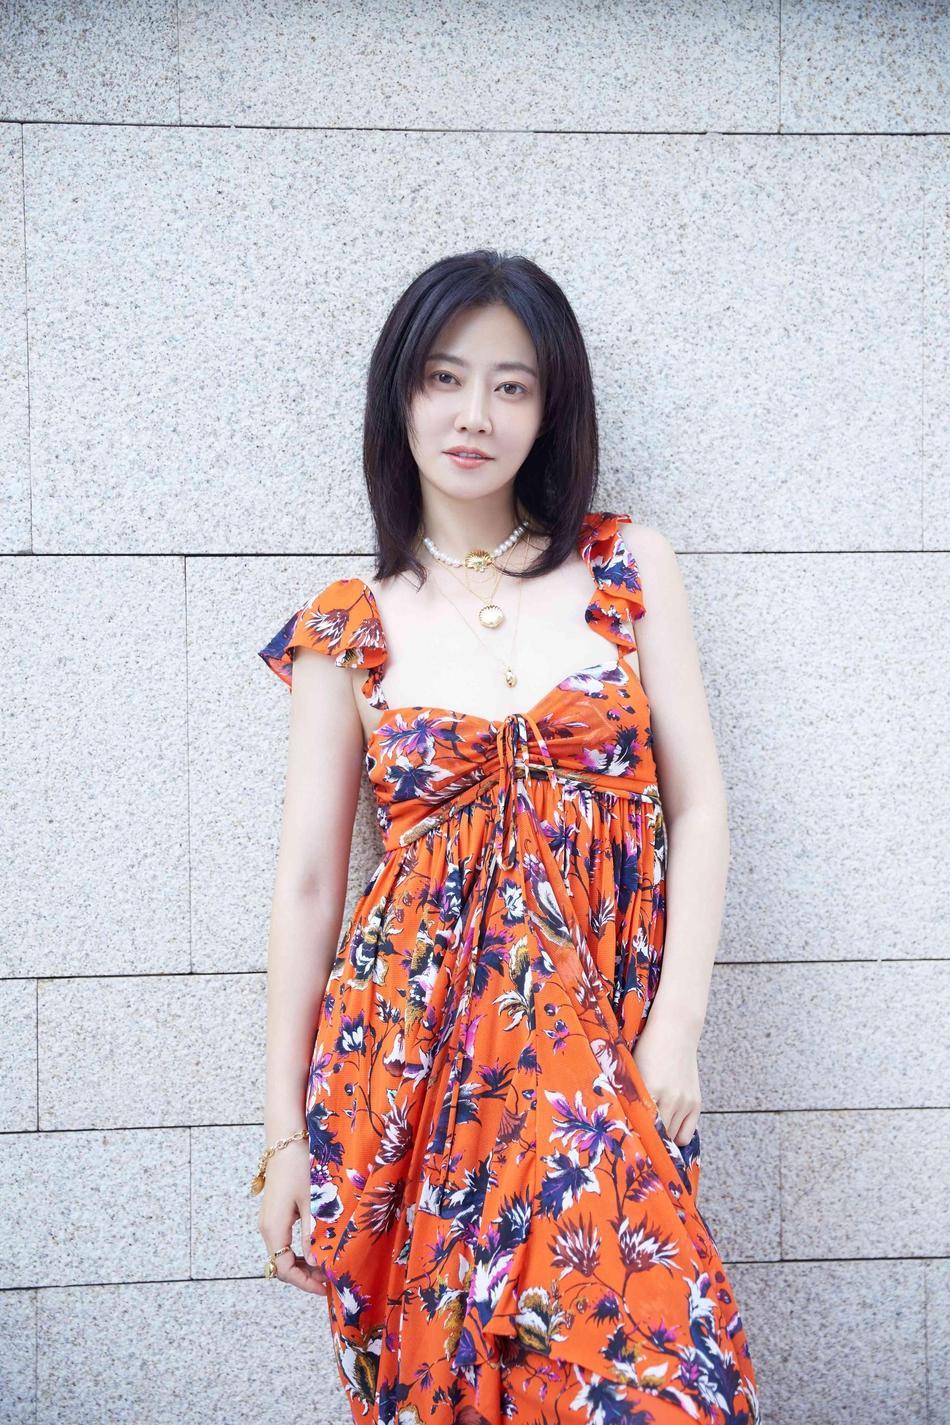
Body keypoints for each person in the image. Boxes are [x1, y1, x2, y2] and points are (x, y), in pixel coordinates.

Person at [254, 250, 761, 1424]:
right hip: (407, 1075)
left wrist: (676, 1031)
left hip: (602, 1060)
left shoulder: (625, 567)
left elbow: (700, 807)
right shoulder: (348, 624)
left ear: (550, 407)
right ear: (398, 396)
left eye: (510, 385)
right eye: (442, 378)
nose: (473, 414)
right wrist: (284, 1138)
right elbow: (310, 885)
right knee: (451, 1391)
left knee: (663, 1384)